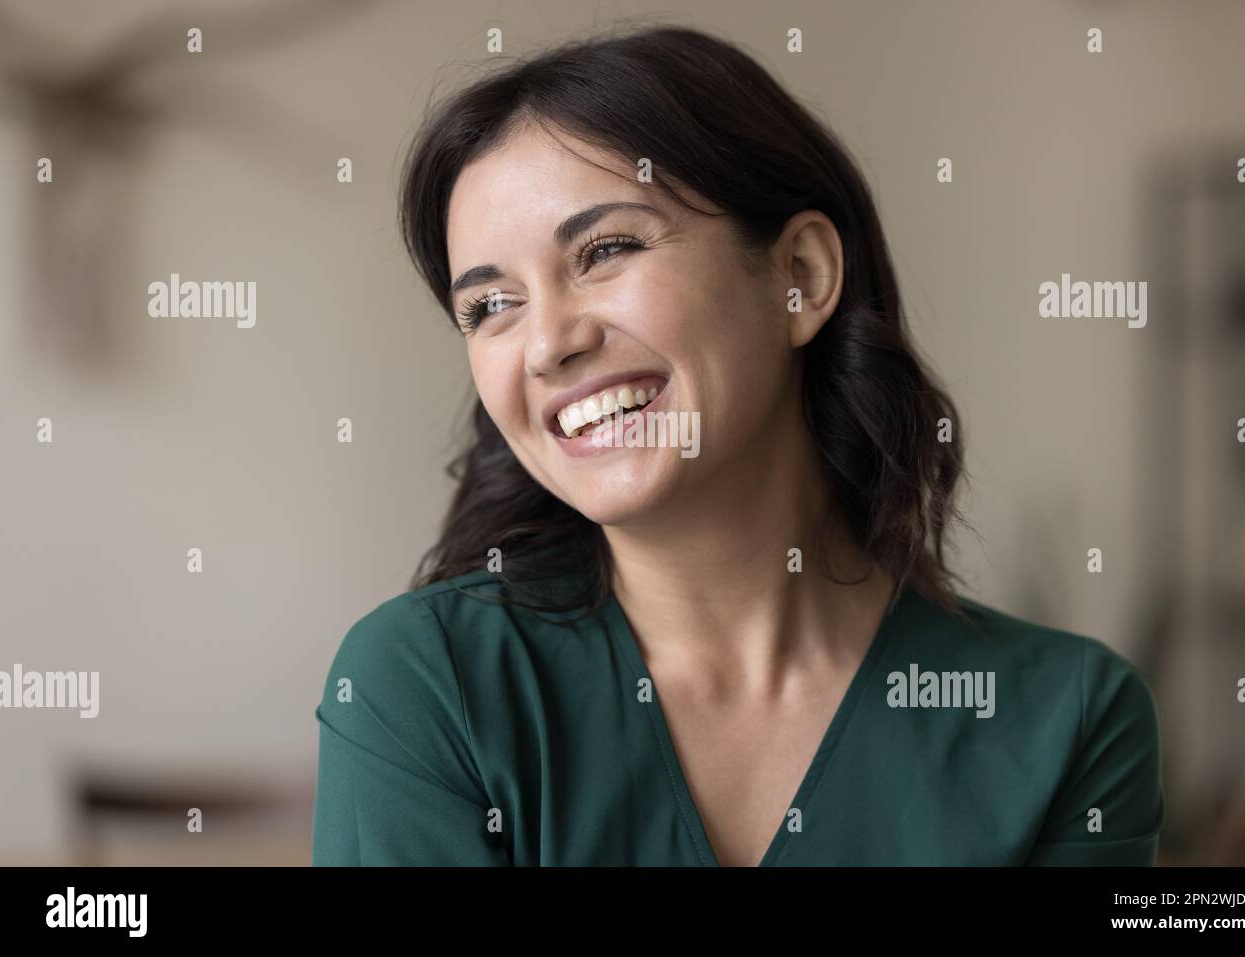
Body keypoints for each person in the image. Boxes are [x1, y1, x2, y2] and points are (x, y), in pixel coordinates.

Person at [312, 25, 1165, 866]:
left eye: (606, 250)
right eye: (490, 305)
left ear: (800, 276)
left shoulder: (1067, 721)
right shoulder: (428, 687)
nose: (546, 345)